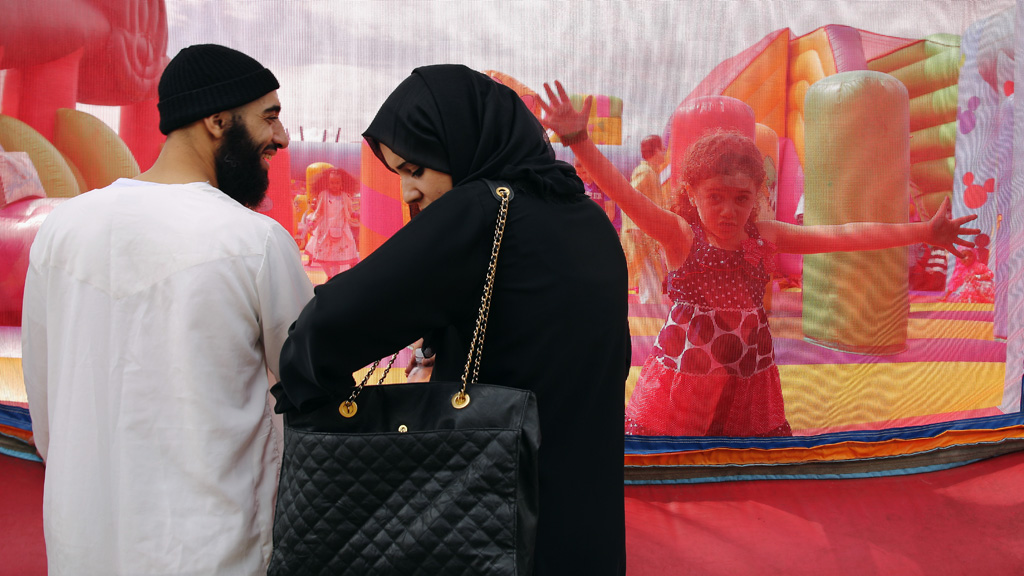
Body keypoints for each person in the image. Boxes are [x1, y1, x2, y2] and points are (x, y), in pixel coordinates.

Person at [273, 64, 630, 575]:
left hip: (494, 518)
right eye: (399, 175)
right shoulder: (592, 224)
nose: (407, 193)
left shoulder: (482, 211)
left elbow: (328, 324)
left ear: (464, 144)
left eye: (416, 169)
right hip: (584, 522)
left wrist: (305, 386)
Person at [539, 80, 979, 438]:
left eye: (741, 198)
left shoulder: (762, 236)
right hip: (687, 377)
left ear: (758, 196)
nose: (728, 210)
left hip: (746, 375)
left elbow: (844, 235)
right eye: (715, 197)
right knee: (678, 457)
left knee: (741, 460)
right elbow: (623, 194)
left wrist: (925, 231)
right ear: (691, 192)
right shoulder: (681, 237)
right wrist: (577, 139)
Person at [21, 44, 314, 575]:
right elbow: (309, 387)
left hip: (82, 548)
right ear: (217, 119)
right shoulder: (254, 241)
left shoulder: (61, 232)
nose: (282, 136)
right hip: (213, 554)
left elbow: (46, 417)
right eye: (269, 116)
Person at [622, 134, 669, 303]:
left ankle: (651, 311)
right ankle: (650, 315)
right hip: (642, 235)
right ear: (655, 151)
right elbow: (630, 197)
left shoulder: (652, 173)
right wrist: (634, 226)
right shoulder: (644, 172)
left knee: (652, 275)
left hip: (649, 235)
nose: (665, 152)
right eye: (662, 149)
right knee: (649, 276)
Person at [305, 167, 360, 277]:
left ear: (342, 183)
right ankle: (329, 275)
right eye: (331, 182)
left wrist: (356, 215)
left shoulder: (345, 196)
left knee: (336, 258)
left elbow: (350, 211)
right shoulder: (323, 195)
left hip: (341, 229)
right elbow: (319, 211)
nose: (334, 185)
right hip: (324, 230)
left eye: (337, 183)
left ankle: (333, 276)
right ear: (327, 183)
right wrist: (312, 222)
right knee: (322, 257)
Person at [575, 157, 620, 231]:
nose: (582, 176)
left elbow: (610, 214)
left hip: (612, 226)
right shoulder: (580, 184)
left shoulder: (604, 183)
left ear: (591, 169)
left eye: (584, 172)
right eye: (578, 173)